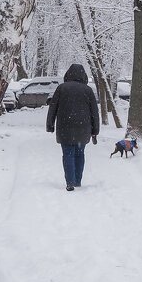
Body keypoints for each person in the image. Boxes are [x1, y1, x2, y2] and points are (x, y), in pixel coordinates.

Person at [46, 63, 100, 191]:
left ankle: (70, 181)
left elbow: (53, 108)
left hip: (65, 128)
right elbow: (94, 113)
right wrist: (95, 130)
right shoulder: (88, 90)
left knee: (68, 154)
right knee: (80, 154)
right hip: (83, 128)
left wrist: (50, 125)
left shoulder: (61, 88)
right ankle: (77, 180)